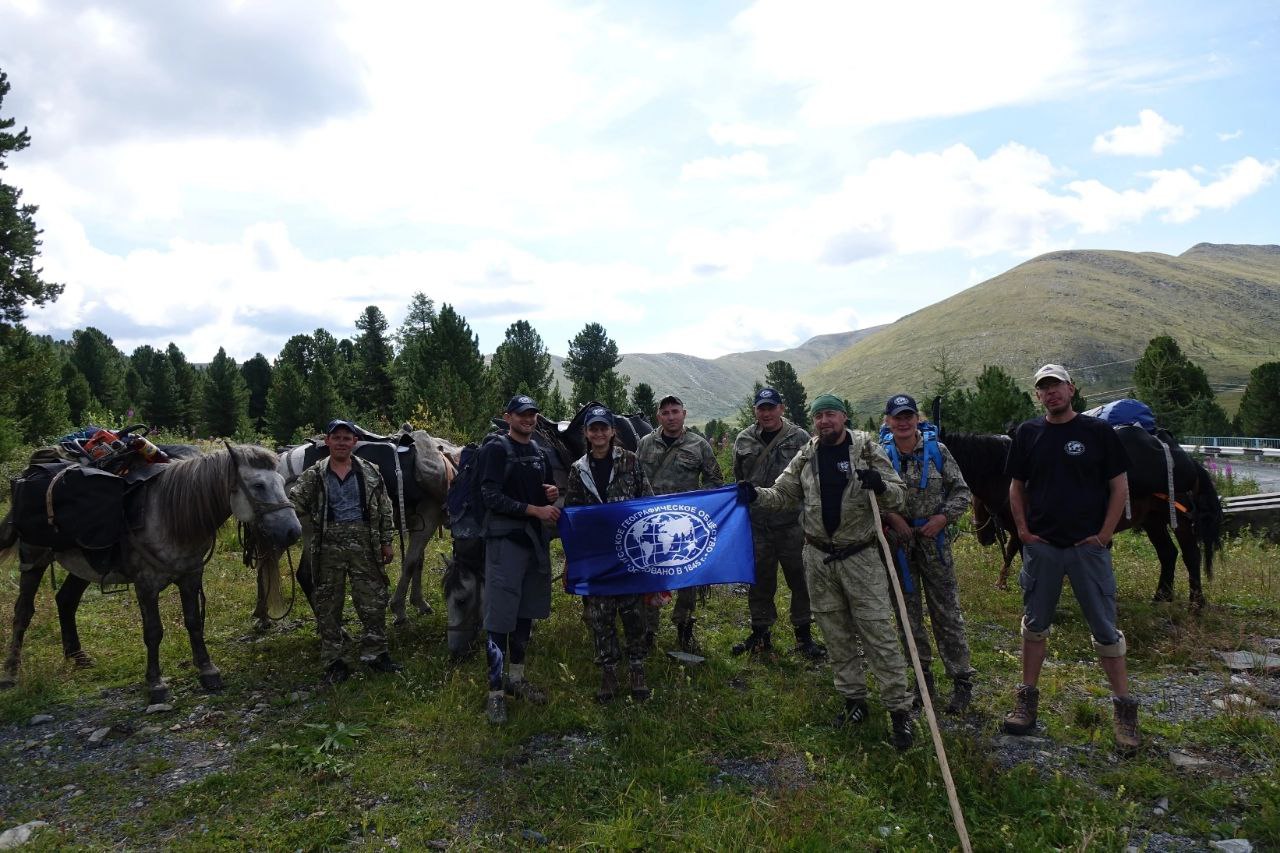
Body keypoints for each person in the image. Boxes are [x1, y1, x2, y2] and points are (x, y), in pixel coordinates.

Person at [739, 395, 915, 750]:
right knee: (835, 634)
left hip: (860, 557)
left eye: (830, 414)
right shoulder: (806, 454)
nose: (824, 421)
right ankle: (854, 702)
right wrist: (754, 495)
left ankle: (899, 712)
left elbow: (899, 496)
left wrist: (879, 485)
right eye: (818, 416)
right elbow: (782, 495)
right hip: (818, 557)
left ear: (843, 417)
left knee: (878, 633)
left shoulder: (865, 450)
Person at [1003, 364, 1138, 751]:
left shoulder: (1097, 433)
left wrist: (1105, 534)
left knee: (1105, 628)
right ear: (1038, 395)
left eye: (1056, 386)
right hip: (1043, 547)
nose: (1051, 393)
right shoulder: (1028, 434)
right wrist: (1025, 533)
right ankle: (1026, 700)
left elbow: (1119, 486)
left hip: (1086, 548)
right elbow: (1016, 487)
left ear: (1071, 389)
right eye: (1043, 388)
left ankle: (1124, 711)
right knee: (1034, 625)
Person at [880, 393, 976, 714]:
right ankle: (923, 681)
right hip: (899, 547)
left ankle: (961, 680)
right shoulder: (880, 456)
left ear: (917, 418)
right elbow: (871, 499)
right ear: (888, 421)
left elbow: (962, 492)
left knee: (946, 612)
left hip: (934, 544)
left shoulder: (937, 451)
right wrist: (892, 518)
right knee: (908, 615)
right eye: (897, 417)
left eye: (909, 416)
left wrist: (942, 518)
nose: (903, 422)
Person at [289, 419, 402, 684]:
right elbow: (294, 504)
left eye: (346, 438)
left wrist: (387, 541)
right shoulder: (314, 475)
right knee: (328, 603)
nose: (341, 442)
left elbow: (385, 509)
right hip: (328, 544)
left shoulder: (371, 472)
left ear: (354, 442)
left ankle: (376, 653)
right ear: (327, 441)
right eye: (336, 437)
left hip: (365, 541)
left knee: (373, 599)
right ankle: (334, 660)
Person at [564, 405, 655, 702]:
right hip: (598, 555)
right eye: (594, 428)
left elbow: (648, 502)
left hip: (630, 552)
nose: (599, 433)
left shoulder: (630, 461)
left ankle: (637, 667)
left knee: (632, 613)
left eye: (604, 428)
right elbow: (573, 516)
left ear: (613, 431)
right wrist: (573, 557)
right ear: (587, 433)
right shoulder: (578, 470)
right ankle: (609, 671)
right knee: (601, 615)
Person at [480, 394, 561, 725]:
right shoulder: (495, 449)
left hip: (533, 544)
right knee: (500, 618)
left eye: (532, 415)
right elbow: (490, 496)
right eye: (522, 414)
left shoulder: (539, 452)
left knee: (526, 611)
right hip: (505, 545)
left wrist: (551, 494)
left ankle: (517, 679)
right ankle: (495, 694)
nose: (528, 419)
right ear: (508, 417)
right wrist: (534, 509)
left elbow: (542, 490)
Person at [731, 387, 824, 659]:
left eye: (771, 407)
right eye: (762, 408)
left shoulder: (800, 437)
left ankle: (803, 635)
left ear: (781, 409)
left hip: (792, 524)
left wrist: (812, 522)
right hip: (758, 526)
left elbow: (812, 481)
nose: (767, 413)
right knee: (759, 582)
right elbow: (739, 479)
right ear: (755, 411)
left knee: (800, 581)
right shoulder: (743, 439)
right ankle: (761, 634)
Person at [636, 394, 724, 653]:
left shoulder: (699, 445)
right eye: (666, 413)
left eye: (675, 411)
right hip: (651, 525)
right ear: (658, 416)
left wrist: (698, 506)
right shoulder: (644, 444)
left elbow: (714, 481)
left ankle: (684, 628)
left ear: (684, 414)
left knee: (687, 577)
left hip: (686, 526)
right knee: (650, 577)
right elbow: (635, 479)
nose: (671, 417)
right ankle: (648, 632)